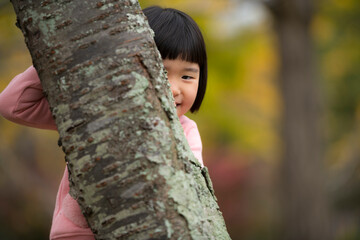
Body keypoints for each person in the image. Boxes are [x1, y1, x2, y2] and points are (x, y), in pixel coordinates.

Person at [0, 6, 207, 240]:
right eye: (159, 69)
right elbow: (13, 105)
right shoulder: (96, 109)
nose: (173, 88)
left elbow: (192, 188)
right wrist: (55, 58)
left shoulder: (186, 131)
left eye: (187, 76)